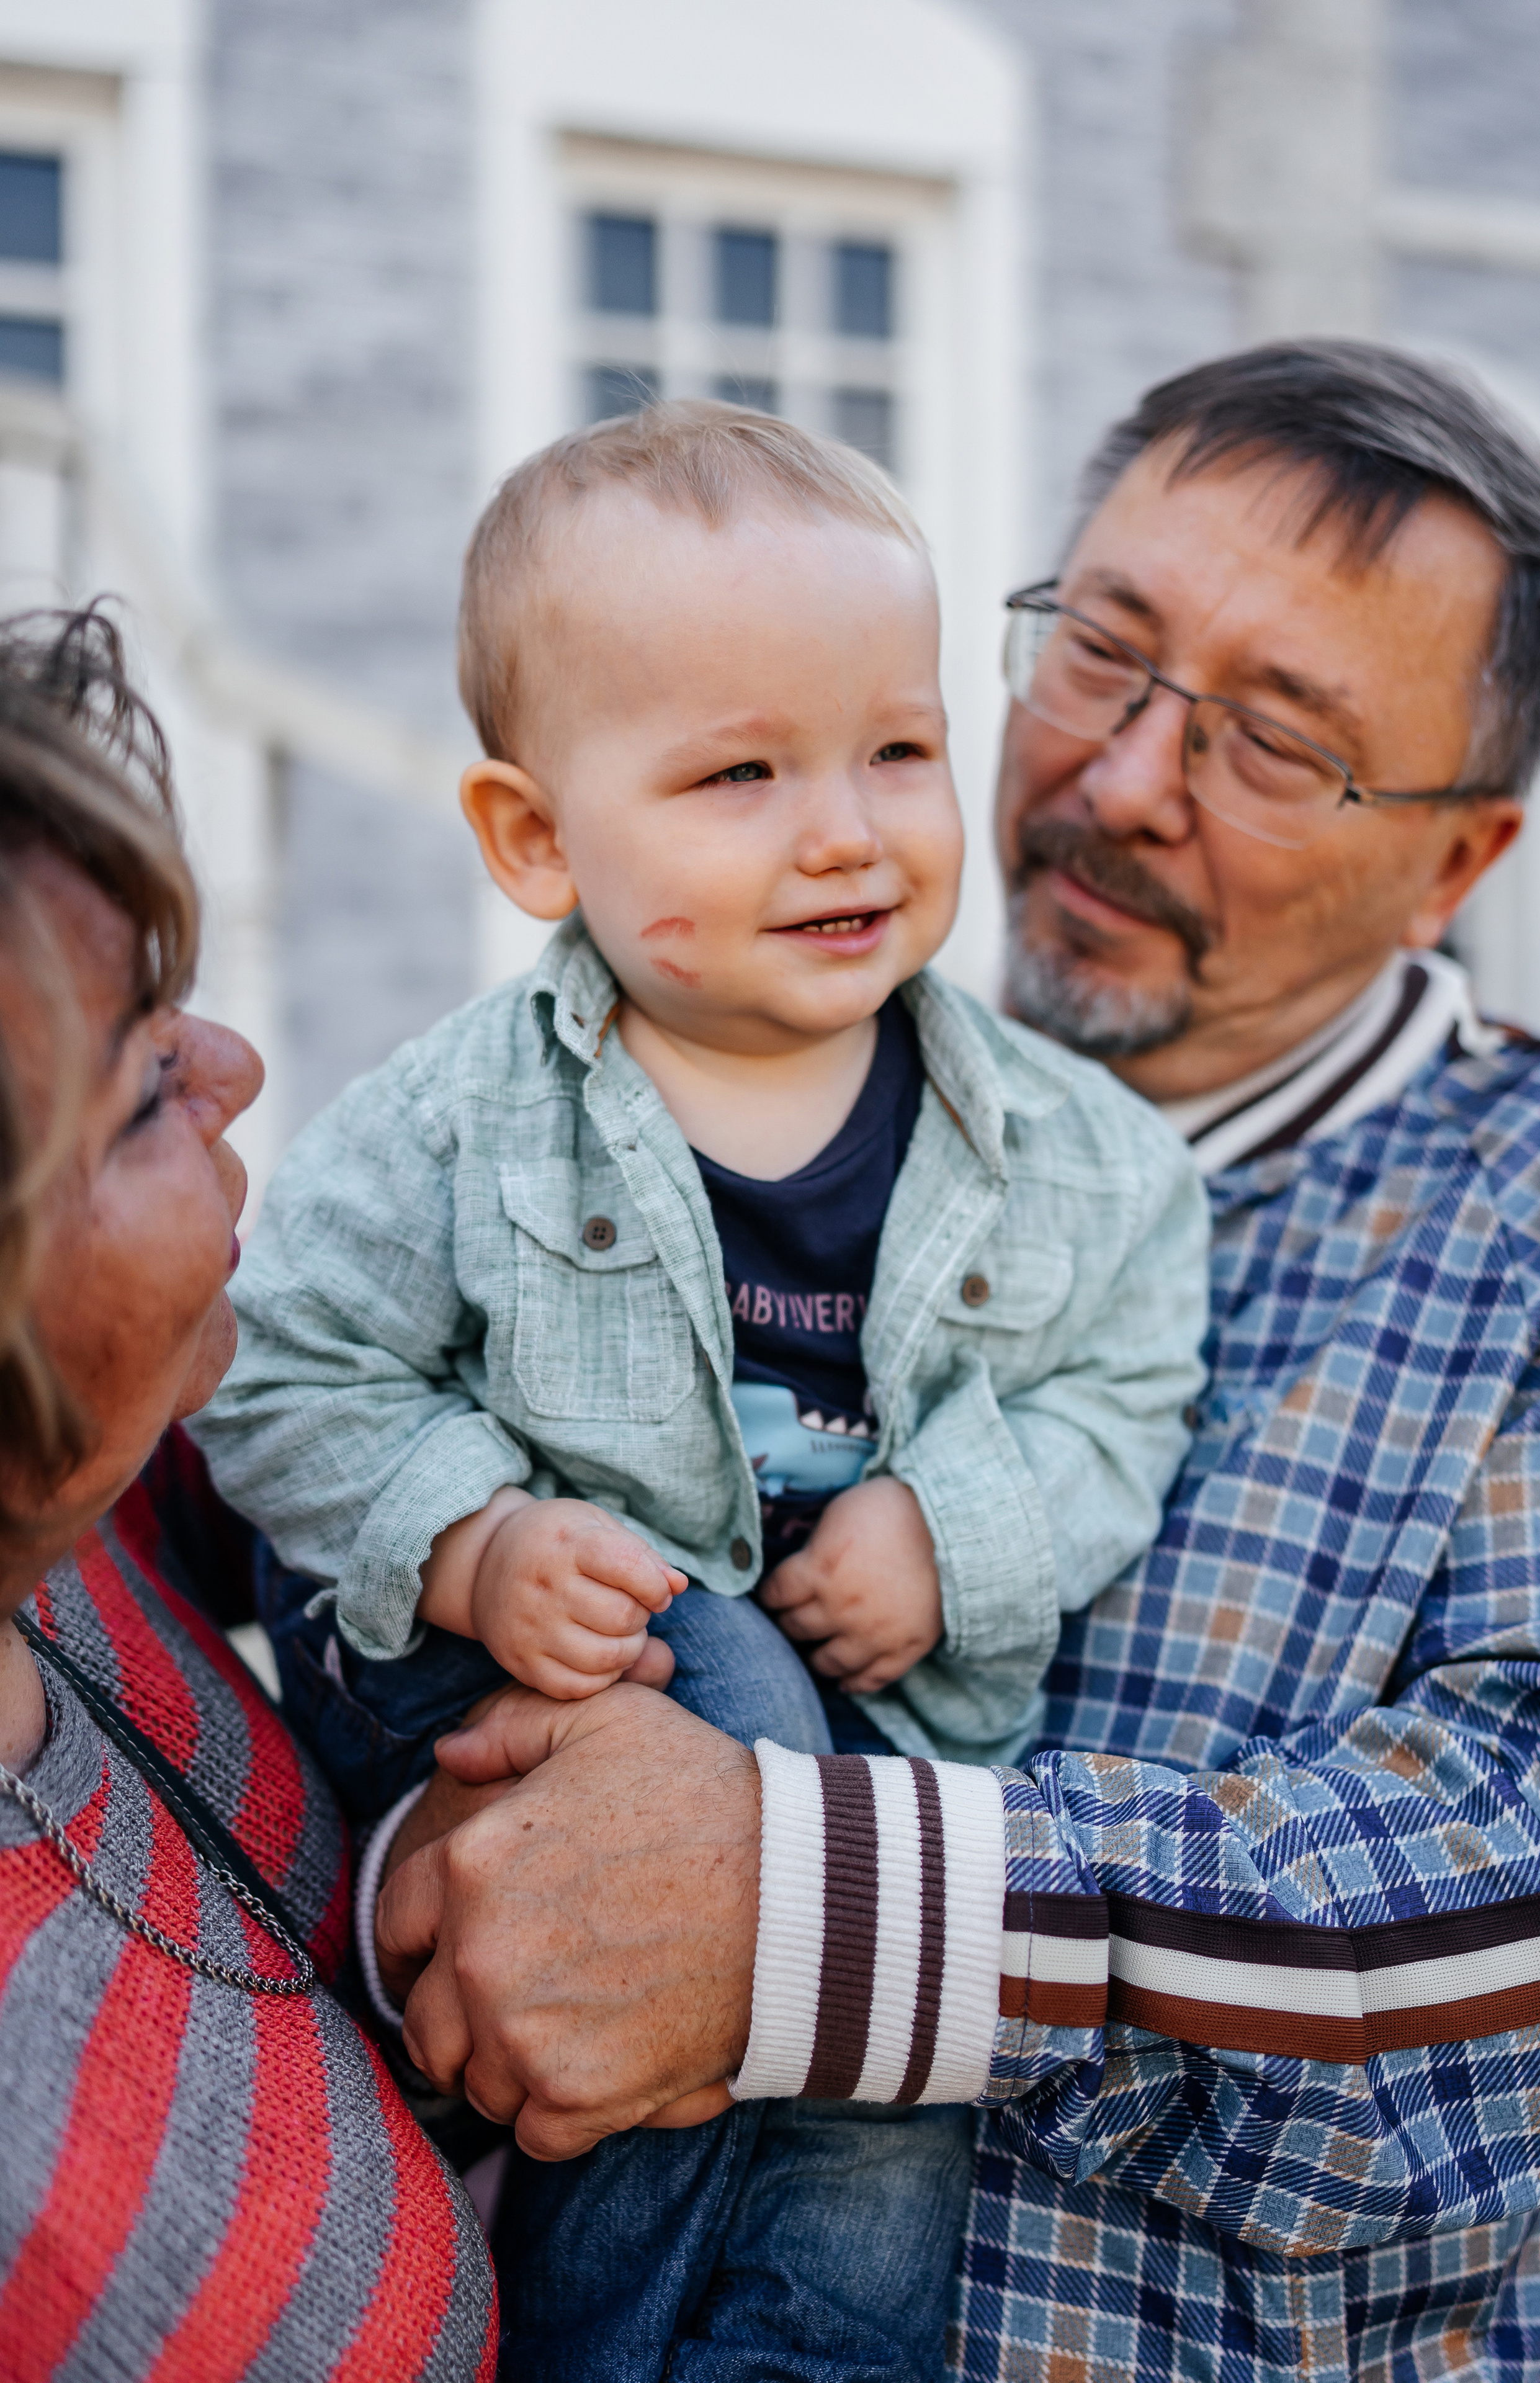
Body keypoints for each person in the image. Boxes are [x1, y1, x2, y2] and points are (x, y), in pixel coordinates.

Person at [375, 341, 1540, 2383]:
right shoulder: (677, 1063)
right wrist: (452, 1858)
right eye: (1097, 656)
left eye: (1278, 749)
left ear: (1463, 859)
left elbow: (1537, 1906)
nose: (1115, 783)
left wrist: (799, 1911)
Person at [190, 398, 1208, 2380]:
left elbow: (1126, 1393)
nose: (844, 828)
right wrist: (473, 1538)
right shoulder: (453, 1128)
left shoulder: (1083, 1160)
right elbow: (280, 1370)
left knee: (902, 2053)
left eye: (897, 750)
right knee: (718, 1690)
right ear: (536, 839)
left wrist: (958, 1530)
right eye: (739, 772)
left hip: (889, 1730)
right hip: (516, 1657)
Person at [0, 608, 498, 2377]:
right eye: (144, 1092)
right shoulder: (55, 2251)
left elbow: (346, 1411)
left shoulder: (84, 1515)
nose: (237, 1069)